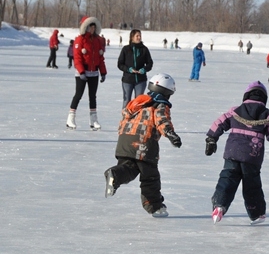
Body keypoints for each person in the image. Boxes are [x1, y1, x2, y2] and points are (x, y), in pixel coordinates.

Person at [205, 81, 269, 225]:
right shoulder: (267, 115)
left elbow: (219, 123)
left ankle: (219, 205)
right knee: (252, 185)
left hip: (233, 151)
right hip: (252, 154)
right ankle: (256, 214)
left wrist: (211, 139)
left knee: (227, 178)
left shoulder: (236, 111)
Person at [104, 73, 182, 218]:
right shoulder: (160, 104)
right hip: (143, 143)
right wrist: (171, 134)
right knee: (150, 176)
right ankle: (155, 207)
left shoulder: (137, 102)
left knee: (130, 169)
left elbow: (124, 119)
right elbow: (162, 120)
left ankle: (115, 174)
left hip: (124, 141)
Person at [66, 16, 107, 130]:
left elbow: (100, 58)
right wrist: (81, 71)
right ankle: (70, 118)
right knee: (78, 94)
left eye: (94, 27)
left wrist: (103, 72)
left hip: (94, 73)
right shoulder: (80, 40)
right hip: (82, 73)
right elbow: (77, 57)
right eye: (90, 27)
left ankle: (93, 120)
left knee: (92, 96)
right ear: (86, 27)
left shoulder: (98, 40)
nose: (92, 29)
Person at [117, 29, 154, 109]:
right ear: (132, 37)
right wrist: (129, 69)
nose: (139, 37)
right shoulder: (126, 49)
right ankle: (125, 119)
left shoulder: (144, 49)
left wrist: (144, 69)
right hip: (127, 80)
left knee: (139, 102)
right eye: (137, 36)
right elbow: (120, 64)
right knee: (127, 100)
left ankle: (137, 119)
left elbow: (150, 63)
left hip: (140, 80)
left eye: (140, 36)